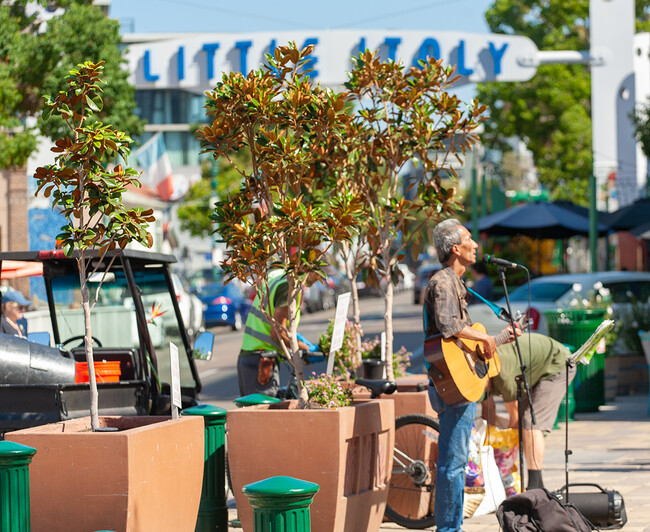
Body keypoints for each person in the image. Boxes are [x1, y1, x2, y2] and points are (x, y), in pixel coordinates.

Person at [423, 218, 520, 532]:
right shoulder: (442, 282)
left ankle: (452, 526)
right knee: (453, 463)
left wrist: (496, 339)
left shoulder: (457, 283)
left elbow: (460, 338)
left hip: (459, 379)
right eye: (469, 239)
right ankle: (449, 529)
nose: (476, 244)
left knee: (458, 460)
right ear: (455, 248)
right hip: (451, 382)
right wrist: (486, 340)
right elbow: (449, 326)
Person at [483, 332, 576, 491]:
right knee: (524, 425)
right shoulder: (480, 375)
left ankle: (535, 485)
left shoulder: (503, 376)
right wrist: (488, 443)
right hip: (532, 369)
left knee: (530, 422)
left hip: (556, 364)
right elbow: (487, 411)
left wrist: (505, 451)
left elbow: (515, 419)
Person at [237, 270, 319, 397]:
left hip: (250, 354)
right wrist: (307, 349)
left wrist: (296, 339)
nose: (318, 279)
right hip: (261, 360)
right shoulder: (288, 286)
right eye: (318, 273)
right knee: (264, 412)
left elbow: (277, 323)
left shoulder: (277, 274)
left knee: (252, 411)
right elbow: (278, 333)